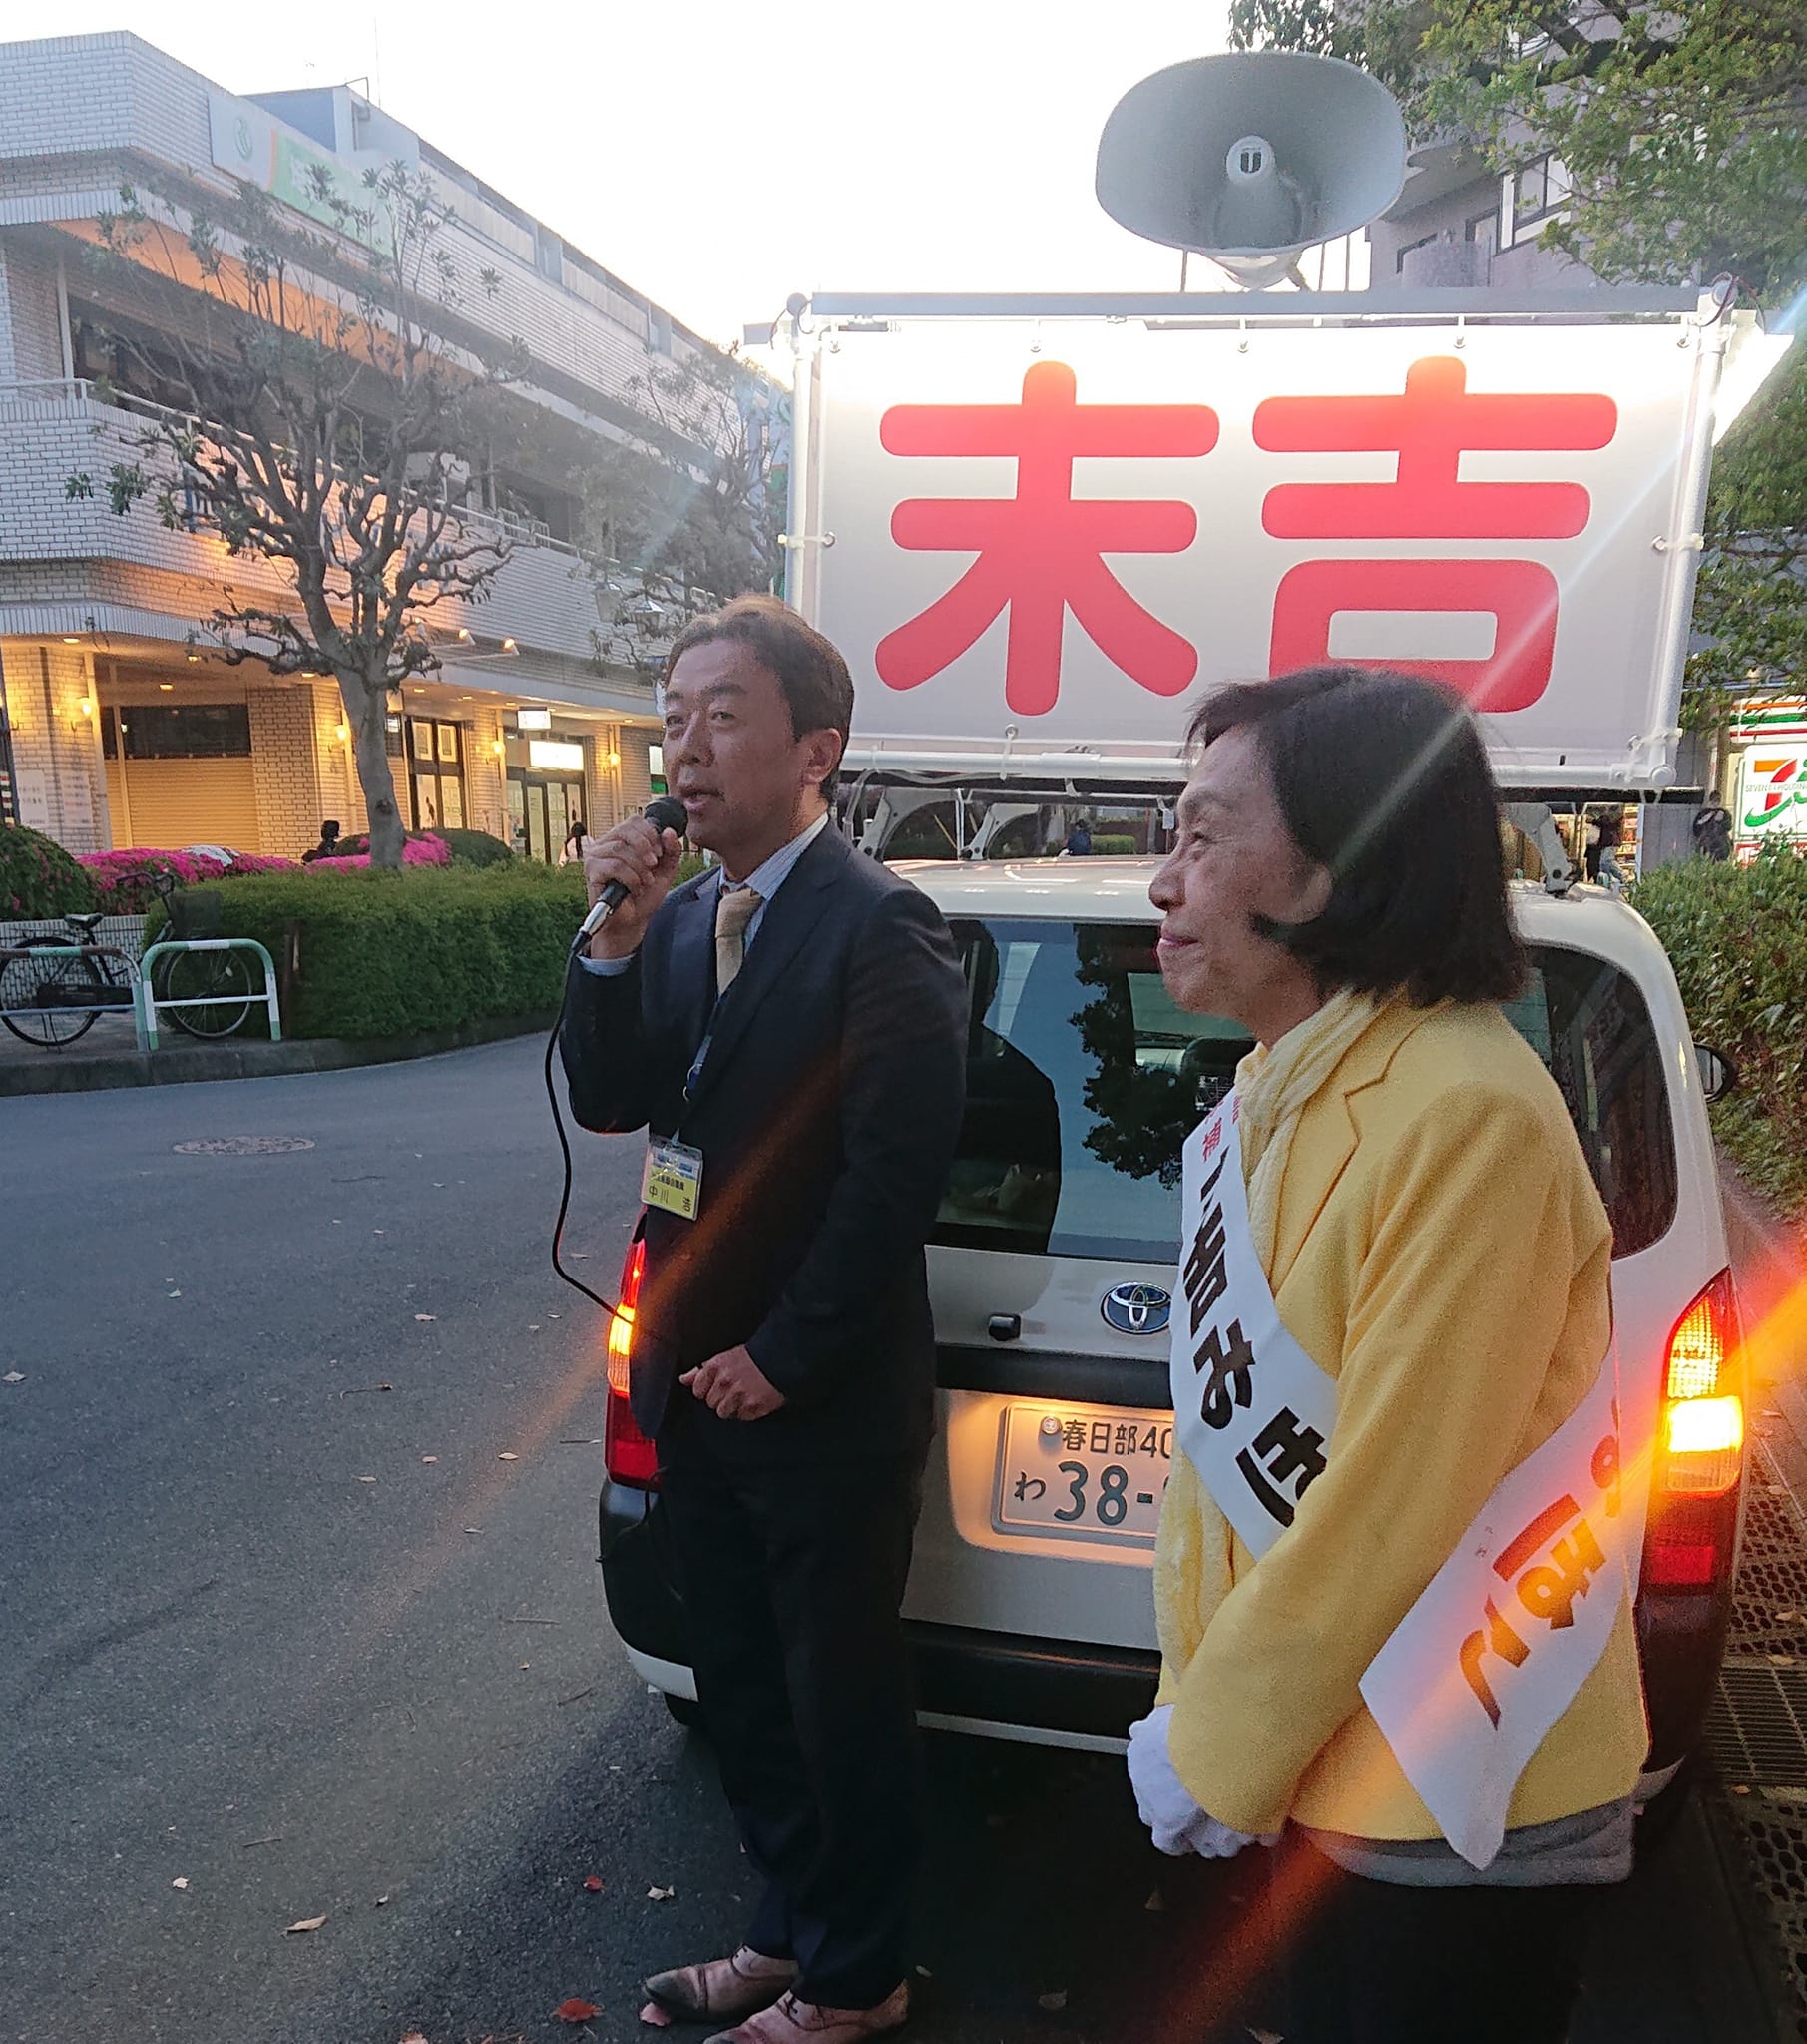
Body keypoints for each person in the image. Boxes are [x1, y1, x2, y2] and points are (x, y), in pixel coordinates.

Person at [1133, 666, 1647, 2043]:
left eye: (1201, 835)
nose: (1161, 883)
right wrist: (1208, 1716)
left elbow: (1391, 1495)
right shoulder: (1287, 1081)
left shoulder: (1465, 1112)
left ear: (1335, 870)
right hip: (1332, 1757)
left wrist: (1214, 1742)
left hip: (1459, 1778)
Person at [560, 596, 967, 2044]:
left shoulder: (881, 925)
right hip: (689, 1378)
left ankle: (857, 1977)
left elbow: (893, 1173)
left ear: (815, 751)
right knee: (734, 1681)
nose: (685, 747)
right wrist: (610, 948)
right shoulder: (680, 920)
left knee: (832, 1695)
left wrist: (784, 1354)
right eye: (673, 718)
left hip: (818, 1398)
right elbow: (612, 1099)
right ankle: (786, 1933)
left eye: (722, 716)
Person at [1693, 798, 1733, 862]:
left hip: (1711, 846)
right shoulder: (1706, 814)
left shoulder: (1704, 814)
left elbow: (1696, 830)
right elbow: (1728, 827)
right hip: (1716, 846)